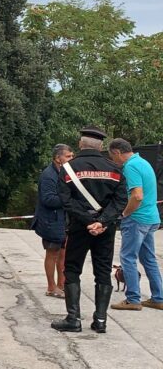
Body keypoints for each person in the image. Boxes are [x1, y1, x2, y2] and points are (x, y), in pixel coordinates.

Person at [51, 126, 127, 334]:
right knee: (102, 271)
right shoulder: (115, 169)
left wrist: (87, 221)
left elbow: (66, 200)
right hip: (106, 229)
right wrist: (101, 221)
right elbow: (120, 201)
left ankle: (73, 319)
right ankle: (100, 320)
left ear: (80, 144)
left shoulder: (68, 169)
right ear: (101, 146)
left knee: (72, 269)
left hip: (79, 227)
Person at [107, 138, 163, 311]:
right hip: (151, 218)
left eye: (112, 157)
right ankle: (158, 298)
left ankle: (133, 299)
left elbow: (137, 196)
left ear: (117, 152)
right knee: (149, 259)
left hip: (137, 219)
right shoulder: (143, 162)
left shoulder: (130, 166)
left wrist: (124, 213)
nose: (113, 161)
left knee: (127, 257)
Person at [31, 144, 74, 299]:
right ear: (57, 158)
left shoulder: (66, 172)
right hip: (50, 222)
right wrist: (69, 198)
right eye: (68, 156)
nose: (71, 159)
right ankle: (51, 287)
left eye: (72, 156)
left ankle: (61, 285)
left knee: (63, 254)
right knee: (52, 254)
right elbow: (48, 199)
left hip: (64, 221)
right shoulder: (48, 175)